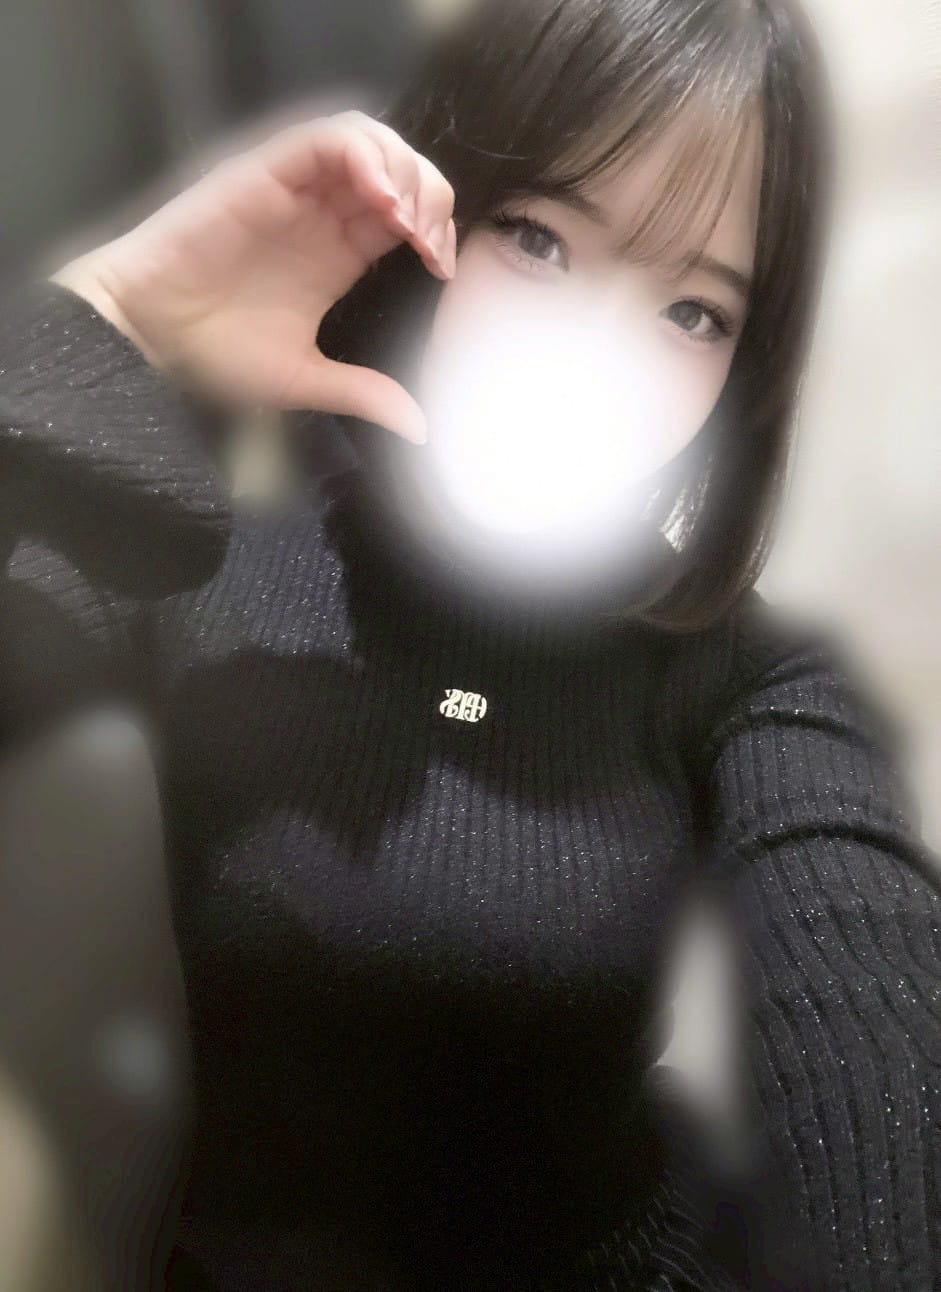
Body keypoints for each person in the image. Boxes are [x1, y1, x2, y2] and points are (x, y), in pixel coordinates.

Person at [4, 0, 939, 1288]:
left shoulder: (746, 679)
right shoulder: (198, 562)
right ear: (434, 224)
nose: (593, 354)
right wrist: (105, 317)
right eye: (539, 239)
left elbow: (870, 1043)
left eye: (694, 312)